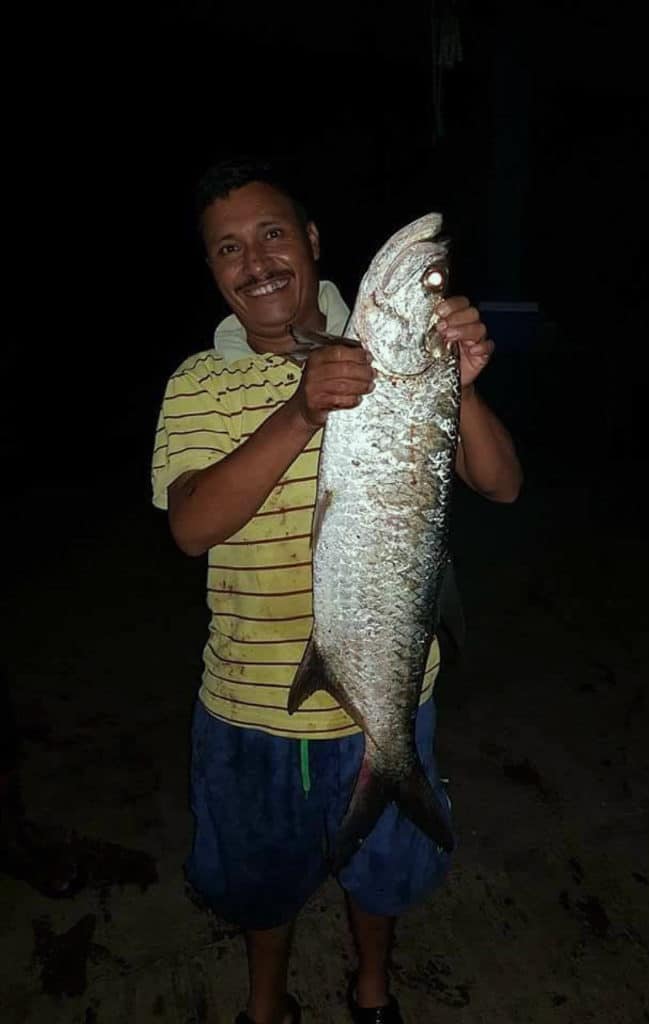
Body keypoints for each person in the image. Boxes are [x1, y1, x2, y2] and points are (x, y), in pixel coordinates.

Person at [151, 157, 522, 1024]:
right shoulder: (197, 385)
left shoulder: (396, 357)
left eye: (274, 233)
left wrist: (451, 382)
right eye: (229, 248)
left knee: (381, 871)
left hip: (391, 693)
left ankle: (371, 988)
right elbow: (190, 527)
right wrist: (300, 413)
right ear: (213, 272)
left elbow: (500, 485)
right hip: (251, 703)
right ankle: (267, 1002)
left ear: (314, 243)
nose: (257, 260)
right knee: (259, 880)